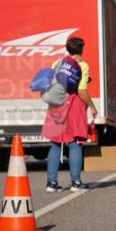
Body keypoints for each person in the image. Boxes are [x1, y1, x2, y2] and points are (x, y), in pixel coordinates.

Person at [43, 36, 98, 192]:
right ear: (82, 49)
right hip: (73, 105)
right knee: (75, 143)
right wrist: (92, 106)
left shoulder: (57, 63)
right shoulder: (82, 65)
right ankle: (76, 182)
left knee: (55, 143)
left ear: (68, 49)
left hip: (56, 105)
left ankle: (51, 183)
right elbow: (81, 90)